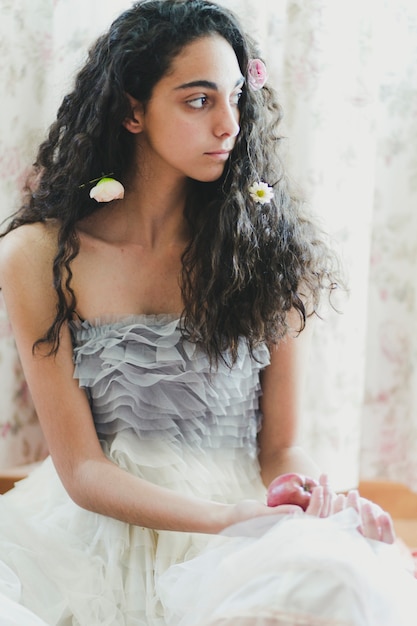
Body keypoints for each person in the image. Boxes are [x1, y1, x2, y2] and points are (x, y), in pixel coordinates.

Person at [0, 1, 415, 624]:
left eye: (237, 98)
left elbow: (282, 447)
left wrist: (321, 504)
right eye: (199, 100)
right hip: (93, 530)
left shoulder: (267, 250)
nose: (230, 125)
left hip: (243, 518)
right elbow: (82, 468)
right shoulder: (36, 256)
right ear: (133, 110)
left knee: (338, 585)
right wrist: (224, 521)